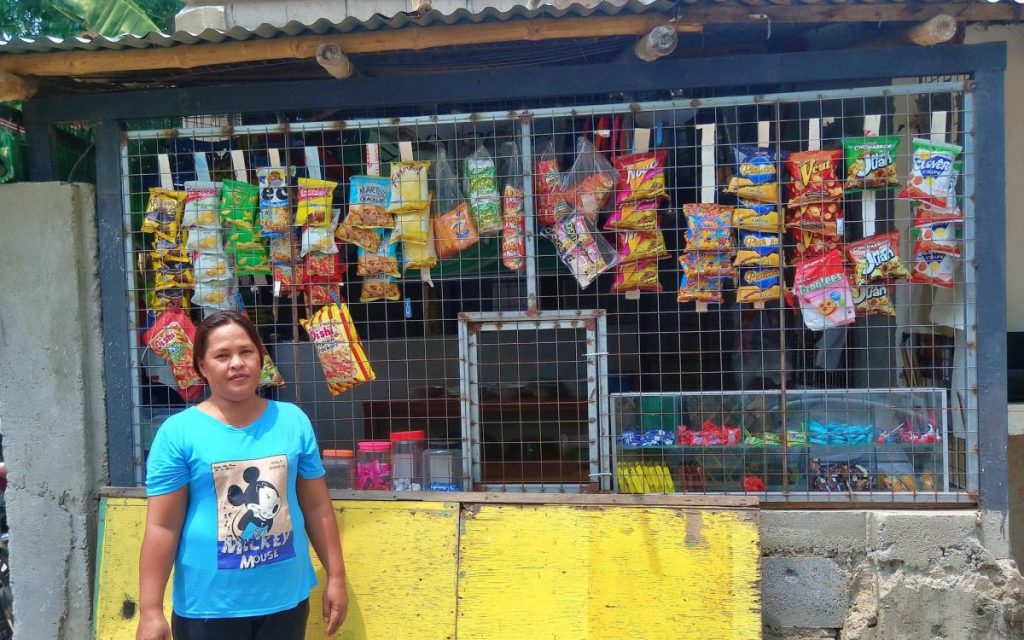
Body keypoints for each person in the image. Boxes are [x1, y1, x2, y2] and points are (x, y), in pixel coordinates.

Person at [136, 311, 348, 640]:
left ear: (261, 359)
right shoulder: (178, 433)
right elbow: (162, 527)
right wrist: (150, 611)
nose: (237, 363)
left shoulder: (292, 421)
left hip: (286, 601)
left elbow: (317, 507)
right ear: (202, 367)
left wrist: (336, 575)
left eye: (246, 352)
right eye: (222, 355)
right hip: (207, 609)